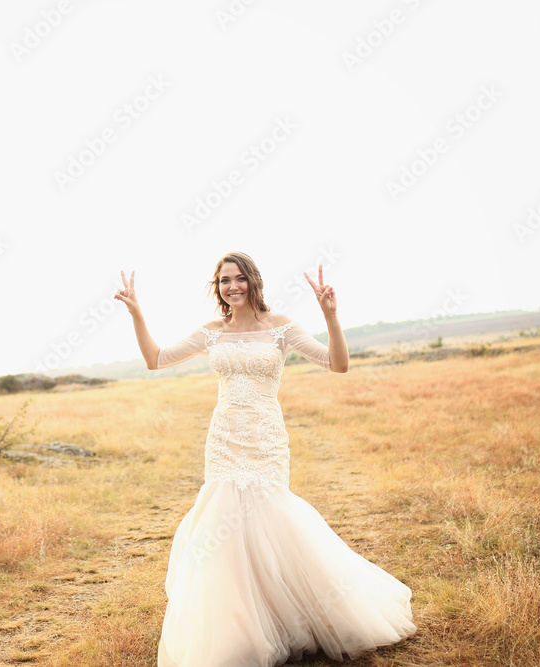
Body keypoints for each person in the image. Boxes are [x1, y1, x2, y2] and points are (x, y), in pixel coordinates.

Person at [115, 251, 416, 666]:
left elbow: (337, 364)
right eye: (224, 281)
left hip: (265, 438)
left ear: (253, 282)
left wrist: (330, 315)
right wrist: (136, 312)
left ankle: (297, 614)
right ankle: (240, 629)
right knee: (222, 524)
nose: (232, 286)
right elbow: (156, 360)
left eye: (239, 278)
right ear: (217, 288)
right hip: (223, 440)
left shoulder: (281, 329)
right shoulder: (211, 332)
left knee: (270, 517)